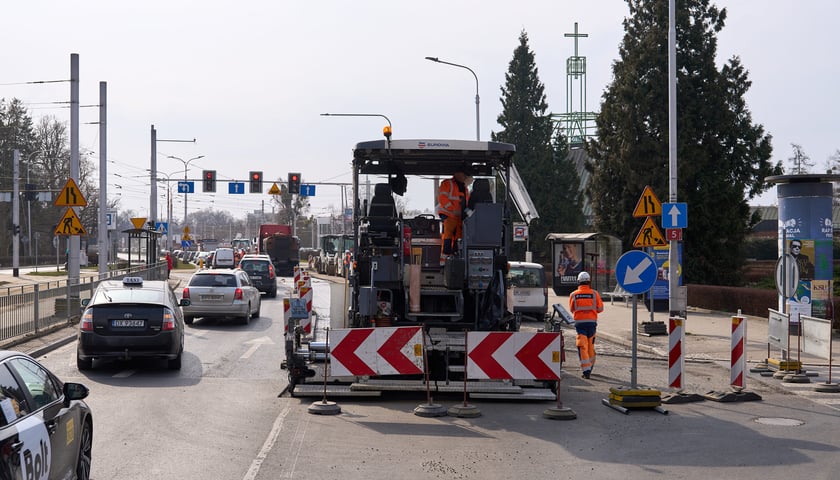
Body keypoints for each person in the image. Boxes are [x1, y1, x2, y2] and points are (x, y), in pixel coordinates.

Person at [569, 271, 604, 379]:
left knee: (582, 346)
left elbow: (572, 309)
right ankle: (590, 366)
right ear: (589, 282)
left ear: (578, 282)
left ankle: (586, 370)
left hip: (580, 324)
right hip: (592, 323)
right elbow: (600, 308)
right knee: (590, 345)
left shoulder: (573, 294)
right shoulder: (595, 293)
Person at [437, 166, 470, 264]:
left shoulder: (465, 189)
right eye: (464, 174)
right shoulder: (447, 183)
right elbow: (442, 198)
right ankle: (444, 261)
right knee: (447, 237)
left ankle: (455, 258)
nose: (465, 177)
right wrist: (453, 210)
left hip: (459, 218)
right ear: (457, 174)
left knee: (458, 239)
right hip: (448, 215)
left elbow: (467, 203)